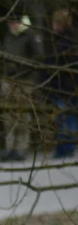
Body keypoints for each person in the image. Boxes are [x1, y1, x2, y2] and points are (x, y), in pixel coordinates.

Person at [0, 13, 44, 162]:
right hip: (8, 79)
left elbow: (38, 57)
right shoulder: (9, 35)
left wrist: (23, 68)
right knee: (8, 115)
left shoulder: (29, 35)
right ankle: (9, 147)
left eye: (12, 22)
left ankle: (22, 148)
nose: (10, 26)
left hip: (24, 81)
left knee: (23, 114)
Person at [46, 9, 76, 160]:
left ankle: (67, 147)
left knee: (67, 118)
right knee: (60, 118)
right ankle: (62, 147)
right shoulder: (57, 40)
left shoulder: (67, 42)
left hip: (66, 87)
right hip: (59, 86)